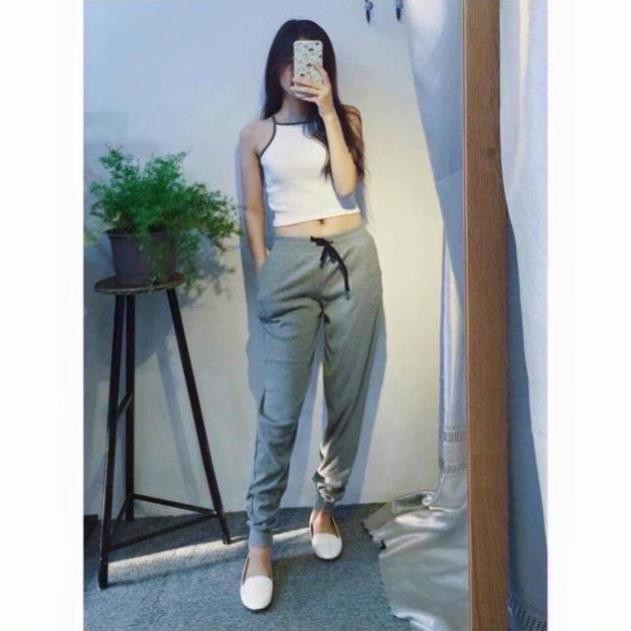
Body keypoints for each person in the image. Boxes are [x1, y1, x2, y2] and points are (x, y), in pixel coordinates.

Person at [237, 19, 384, 611]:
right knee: (280, 410)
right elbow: (253, 209)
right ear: (277, 66)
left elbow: (346, 185)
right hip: (290, 266)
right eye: (293, 60)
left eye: (312, 60)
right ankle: (259, 540)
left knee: (345, 393)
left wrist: (326, 109)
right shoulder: (256, 134)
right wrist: (265, 264)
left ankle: (325, 507)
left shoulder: (345, 119)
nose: (298, 71)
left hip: (352, 257)